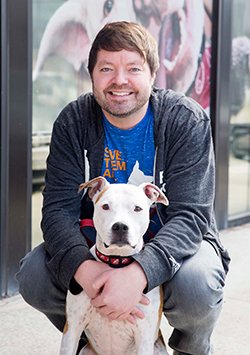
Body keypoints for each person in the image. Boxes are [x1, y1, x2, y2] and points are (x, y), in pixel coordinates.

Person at [16, 21, 230, 355]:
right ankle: (101, 333)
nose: (119, 80)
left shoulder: (184, 119)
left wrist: (138, 275)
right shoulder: (73, 122)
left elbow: (191, 216)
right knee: (33, 275)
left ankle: (192, 349)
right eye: (106, 68)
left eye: (133, 68)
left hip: (172, 245)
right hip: (96, 246)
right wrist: (88, 272)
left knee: (195, 285)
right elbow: (58, 211)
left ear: (152, 75)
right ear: (91, 75)